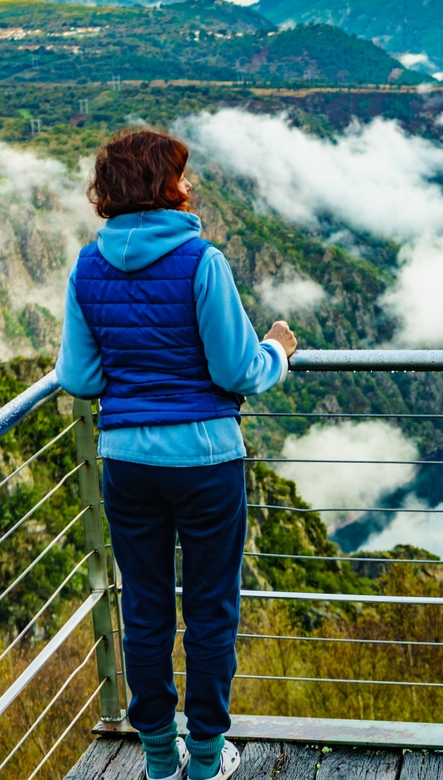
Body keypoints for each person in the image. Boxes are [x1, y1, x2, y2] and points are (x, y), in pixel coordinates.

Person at [55, 129, 297, 780]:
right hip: (206, 461)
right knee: (212, 609)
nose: (190, 186)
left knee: (145, 609)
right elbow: (238, 368)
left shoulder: (88, 266)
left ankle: (160, 762)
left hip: (128, 464)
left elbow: (78, 379)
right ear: (166, 185)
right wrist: (278, 347)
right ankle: (209, 762)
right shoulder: (201, 262)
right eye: (183, 176)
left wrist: (133, 370)